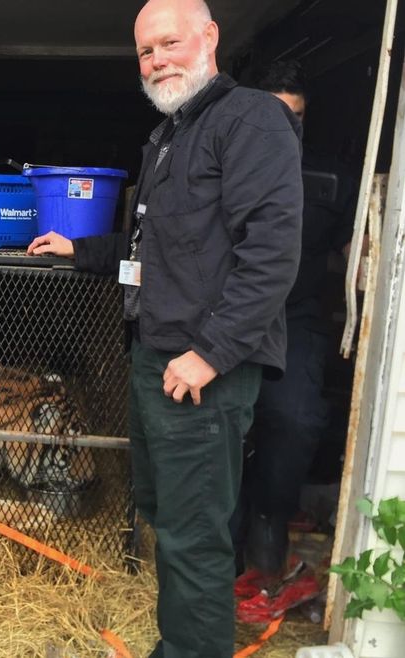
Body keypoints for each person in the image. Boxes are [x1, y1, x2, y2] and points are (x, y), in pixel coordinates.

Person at [27, 0, 303, 655]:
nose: (157, 60)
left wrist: (210, 352)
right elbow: (159, 250)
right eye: (146, 51)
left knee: (194, 531)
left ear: (209, 38)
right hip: (158, 361)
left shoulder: (251, 120)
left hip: (204, 370)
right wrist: (84, 249)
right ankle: (179, 642)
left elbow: (273, 252)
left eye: (169, 43)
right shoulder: (172, 133)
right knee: (165, 514)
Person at [234, 61, 356, 585]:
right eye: (277, 116)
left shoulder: (330, 177)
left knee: (299, 419)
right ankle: (227, 526)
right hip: (230, 314)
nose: (289, 128)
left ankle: (270, 515)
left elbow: (357, 254)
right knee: (226, 424)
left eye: (298, 117)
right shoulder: (225, 165)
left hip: (295, 316)